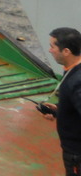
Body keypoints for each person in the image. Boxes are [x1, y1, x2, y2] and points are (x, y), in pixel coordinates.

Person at [40, 27, 81, 176]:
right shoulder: (72, 69)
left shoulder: (77, 81)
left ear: (66, 51)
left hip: (76, 152)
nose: (50, 50)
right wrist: (59, 110)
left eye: (52, 46)